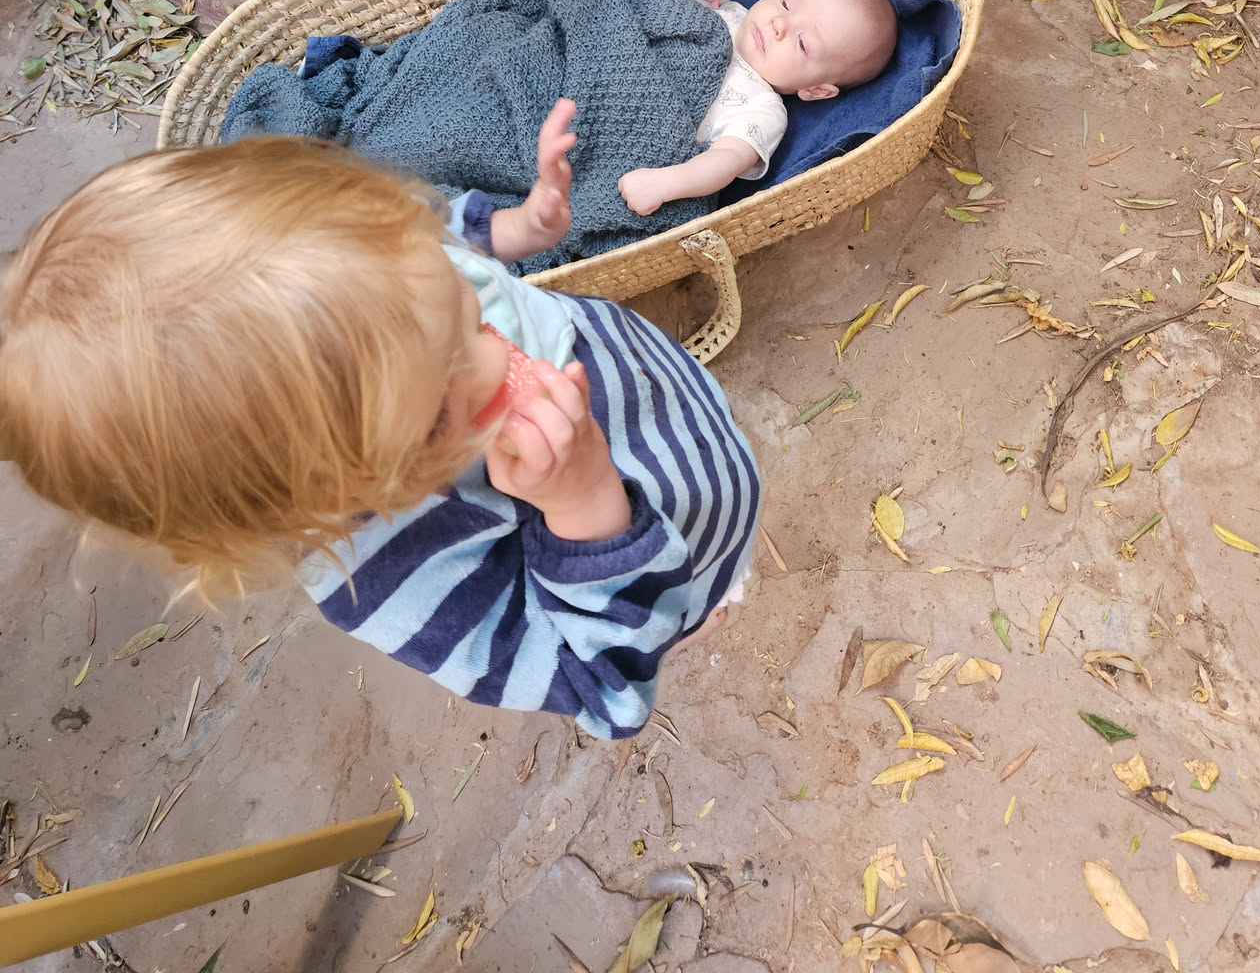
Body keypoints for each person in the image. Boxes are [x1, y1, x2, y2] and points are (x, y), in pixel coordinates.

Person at [0, 113, 759, 740]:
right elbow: (603, 690)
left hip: (668, 412)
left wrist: (518, 226)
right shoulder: (392, 574)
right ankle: (703, 599)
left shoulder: (371, 261)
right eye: (436, 419)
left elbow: (434, 227)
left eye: (453, 298)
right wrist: (584, 507)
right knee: (680, 609)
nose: (493, 357)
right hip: (685, 548)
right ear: (321, 497)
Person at [619, 0, 898, 218]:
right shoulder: (725, 9)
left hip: (635, 131)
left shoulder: (763, 110)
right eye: (786, 3)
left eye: (802, 43)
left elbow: (725, 161)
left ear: (816, 90)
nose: (779, 23)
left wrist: (666, 183)